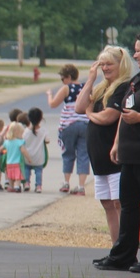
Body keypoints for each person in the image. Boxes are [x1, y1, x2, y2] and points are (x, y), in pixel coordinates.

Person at [95, 31, 140, 273]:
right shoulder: (137, 79)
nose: (135, 55)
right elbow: (124, 113)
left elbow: (136, 115)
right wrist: (117, 143)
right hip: (130, 154)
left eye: (139, 50)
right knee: (129, 205)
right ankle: (122, 255)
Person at [74, 45, 133, 245]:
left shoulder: (123, 87)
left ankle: (124, 248)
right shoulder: (101, 88)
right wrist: (90, 79)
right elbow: (79, 107)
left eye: (110, 64)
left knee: (119, 203)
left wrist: (90, 114)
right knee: (107, 203)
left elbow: (109, 117)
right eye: (103, 64)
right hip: (99, 159)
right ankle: (115, 247)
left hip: (115, 156)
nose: (106, 68)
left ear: (120, 65)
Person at [47, 64, 90, 194]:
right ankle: (81, 186)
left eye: (63, 78)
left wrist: (49, 95)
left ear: (69, 77)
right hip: (84, 124)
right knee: (83, 154)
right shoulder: (85, 88)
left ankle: (66, 182)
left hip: (69, 124)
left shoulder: (66, 88)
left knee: (68, 153)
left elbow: (53, 104)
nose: (62, 81)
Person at [0, 122, 29, 193]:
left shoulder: (7, 142)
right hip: (17, 163)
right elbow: (23, 151)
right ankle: (17, 186)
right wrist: (29, 158)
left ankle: (11, 186)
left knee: (10, 176)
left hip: (8, 163)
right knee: (17, 176)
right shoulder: (20, 142)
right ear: (18, 132)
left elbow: (1, 148)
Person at [23, 108, 48, 193]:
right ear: (41, 119)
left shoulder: (25, 131)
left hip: (27, 156)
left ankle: (26, 183)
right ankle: (38, 186)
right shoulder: (43, 131)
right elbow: (47, 140)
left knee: (26, 169)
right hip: (39, 156)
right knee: (38, 171)